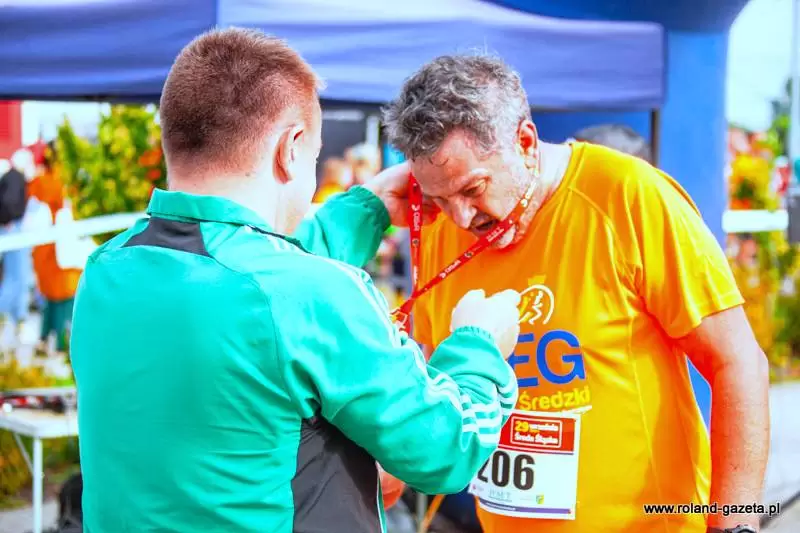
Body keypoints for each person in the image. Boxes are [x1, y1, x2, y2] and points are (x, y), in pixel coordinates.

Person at [70, 29, 521, 533]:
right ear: (291, 148)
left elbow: (243, 279)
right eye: (314, 157)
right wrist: (479, 346)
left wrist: (364, 211)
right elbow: (445, 449)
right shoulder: (310, 294)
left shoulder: (107, 269)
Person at [383, 53, 770, 533]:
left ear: (525, 142)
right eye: (438, 198)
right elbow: (433, 385)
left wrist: (734, 524)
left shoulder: (627, 196)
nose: (461, 217)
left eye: (473, 189)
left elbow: (737, 362)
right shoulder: (440, 233)